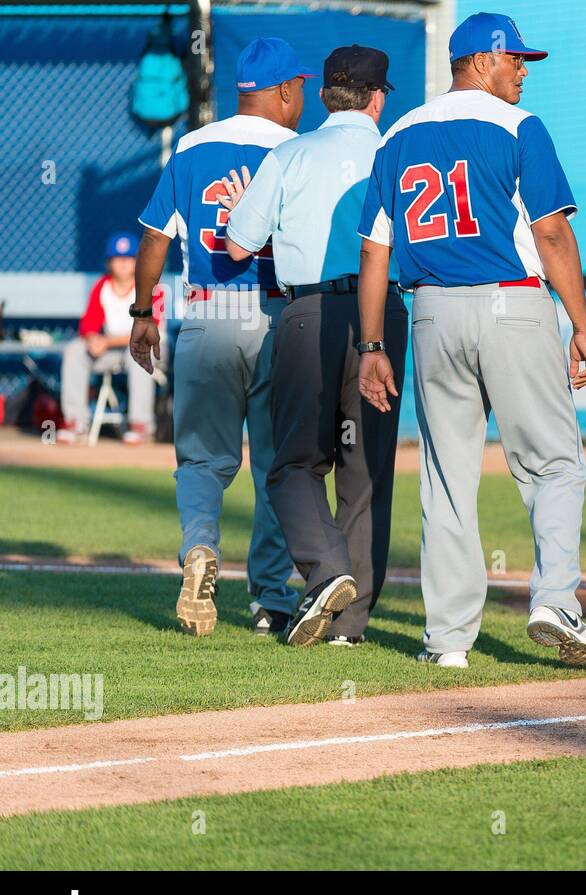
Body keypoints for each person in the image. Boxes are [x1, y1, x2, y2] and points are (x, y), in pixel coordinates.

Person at [355, 12, 586, 669]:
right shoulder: (520, 128)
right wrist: (580, 323)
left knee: (446, 478)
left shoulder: (400, 133)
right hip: (512, 304)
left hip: (432, 312)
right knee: (553, 464)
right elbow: (551, 234)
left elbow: (374, 250)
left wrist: (371, 345)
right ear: (482, 61)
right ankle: (555, 601)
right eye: (516, 59)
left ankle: (447, 643)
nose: (523, 70)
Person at [219, 45, 407, 647]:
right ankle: (348, 628)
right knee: (366, 467)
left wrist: (238, 212)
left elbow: (239, 247)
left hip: (309, 312)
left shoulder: (290, 152)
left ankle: (327, 571)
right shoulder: (395, 151)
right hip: (385, 315)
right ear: (377, 98)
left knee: (296, 462)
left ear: (325, 95)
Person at [130, 37, 311, 638]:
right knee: (275, 465)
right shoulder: (295, 150)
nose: (303, 98)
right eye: (301, 88)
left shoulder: (190, 146)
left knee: (204, 460)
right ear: (285, 91)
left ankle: (201, 547)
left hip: (206, 316)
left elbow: (155, 235)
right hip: (275, 317)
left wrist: (141, 310)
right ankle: (268, 600)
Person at [58, 233, 162, 445]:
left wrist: (105, 342)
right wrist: (93, 339)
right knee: (76, 350)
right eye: (118, 258)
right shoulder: (102, 286)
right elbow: (88, 325)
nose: (123, 263)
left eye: (128, 258)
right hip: (114, 350)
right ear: (109, 262)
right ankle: (76, 422)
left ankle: (141, 425)